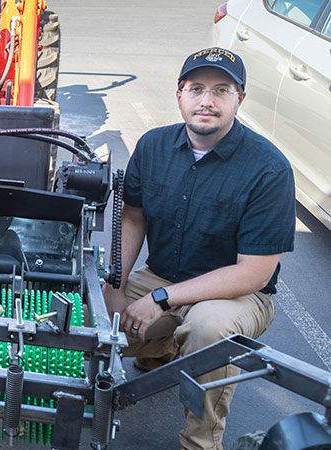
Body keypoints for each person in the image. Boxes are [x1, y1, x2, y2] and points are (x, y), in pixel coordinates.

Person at [103, 47, 295, 450]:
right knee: (97, 319)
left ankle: (201, 441)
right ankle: (159, 349)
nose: (206, 100)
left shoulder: (269, 169)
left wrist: (160, 298)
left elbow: (253, 272)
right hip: (163, 277)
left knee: (207, 329)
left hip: (238, 295)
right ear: (180, 94)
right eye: (197, 88)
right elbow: (134, 217)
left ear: (239, 99)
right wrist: (116, 285)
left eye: (221, 90)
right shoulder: (153, 146)